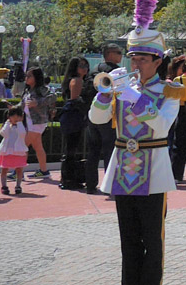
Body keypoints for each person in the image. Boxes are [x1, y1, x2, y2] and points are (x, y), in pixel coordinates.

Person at [90, 0, 180, 285]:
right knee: (128, 239)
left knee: (152, 241)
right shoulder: (121, 85)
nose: (135, 64)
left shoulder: (170, 91)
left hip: (153, 169)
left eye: (143, 58)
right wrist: (104, 94)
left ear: (158, 61)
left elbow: (161, 126)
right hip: (123, 168)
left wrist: (135, 98)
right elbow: (97, 120)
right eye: (133, 58)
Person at [83, 44, 123, 193]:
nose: (121, 55)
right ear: (110, 54)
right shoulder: (115, 72)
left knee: (92, 152)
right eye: (119, 52)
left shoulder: (95, 70)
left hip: (93, 116)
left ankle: (90, 185)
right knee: (109, 151)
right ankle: (109, 185)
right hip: (108, 118)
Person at [57, 56, 92, 190]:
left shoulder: (73, 80)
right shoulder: (77, 80)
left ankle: (68, 178)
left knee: (70, 149)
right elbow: (75, 100)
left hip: (70, 117)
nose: (85, 68)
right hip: (73, 117)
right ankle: (68, 179)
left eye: (86, 65)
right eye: (81, 65)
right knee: (71, 149)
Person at [21, 67, 53, 180]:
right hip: (30, 122)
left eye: (29, 76)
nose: (27, 78)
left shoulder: (42, 89)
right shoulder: (28, 90)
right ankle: (44, 171)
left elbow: (53, 98)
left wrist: (37, 102)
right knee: (38, 147)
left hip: (37, 122)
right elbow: (23, 104)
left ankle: (17, 171)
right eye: (26, 75)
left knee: (22, 146)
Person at [0, 105, 32, 196]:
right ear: (9, 117)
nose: (16, 118)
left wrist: (20, 123)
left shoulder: (22, 127)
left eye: (18, 116)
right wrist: (7, 123)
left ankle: (18, 186)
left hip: (18, 152)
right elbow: (4, 133)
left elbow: (22, 134)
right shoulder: (7, 126)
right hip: (7, 151)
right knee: (4, 169)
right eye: (13, 116)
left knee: (19, 169)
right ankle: (4, 186)